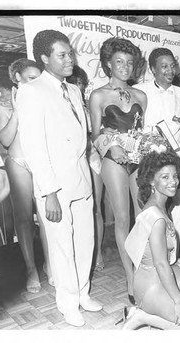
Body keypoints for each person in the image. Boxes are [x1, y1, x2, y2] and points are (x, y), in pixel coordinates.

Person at [15, 29, 102, 327]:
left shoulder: (74, 89)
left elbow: (82, 138)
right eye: (62, 55)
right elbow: (33, 146)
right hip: (55, 185)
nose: (70, 60)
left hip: (80, 179)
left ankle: (83, 294)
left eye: (71, 54)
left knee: (84, 240)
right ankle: (68, 304)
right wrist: (49, 191)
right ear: (44, 58)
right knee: (62, 246)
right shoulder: (31, 90)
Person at [122, 151, 180, 330]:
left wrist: (175, 260)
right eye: (165, 177)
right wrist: (178, 302)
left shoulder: (159, 205)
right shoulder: (157, 218)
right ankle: (142, 316)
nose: (173, 182)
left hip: (153, 275)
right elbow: (161, 264)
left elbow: (155, 253)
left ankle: (164, 303)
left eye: (175, 176)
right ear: (152, 181)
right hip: (151, 287)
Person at [89, 37, 147, 305]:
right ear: (108, 64)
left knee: (143, 216)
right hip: (113, 161)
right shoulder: (98, 95)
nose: (125, 67)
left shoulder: (141, 96)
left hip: (138, 160)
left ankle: (147, 269)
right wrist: (111, 147)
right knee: (122, 218)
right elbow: (95, 133)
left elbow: (139, 131)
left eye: (129, 62)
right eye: (119, 62)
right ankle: (130, 277)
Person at [0, 61, 53, 293]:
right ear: (17, 77)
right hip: (18, 162)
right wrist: (18, 110)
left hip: (41, 163)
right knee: (24, 218)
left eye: (39, 78)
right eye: (30, 78)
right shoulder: (4, 103)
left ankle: (50, 264)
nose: (36, 83)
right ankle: (31, 269)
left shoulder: (45, 99)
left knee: (48, 217)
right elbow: (5, 141)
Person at [133, 47, 180, 244]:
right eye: (163, 66)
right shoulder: (140, 92)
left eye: (172, 66)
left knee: (179, 206)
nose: (169, 71)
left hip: (176, 158)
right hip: (151, 161)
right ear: (152, 69)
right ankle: (149, 255)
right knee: (150, 207)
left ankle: (174, 253)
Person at [67, 65, 105, 272]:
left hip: (92, 159)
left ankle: (96, 252)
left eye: (80, 84)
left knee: (96, 208)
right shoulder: (62, 107)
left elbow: (97, 135)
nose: (78, 88)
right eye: (74, 84)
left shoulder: (90, 107)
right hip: (72, 162)